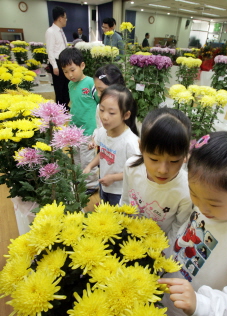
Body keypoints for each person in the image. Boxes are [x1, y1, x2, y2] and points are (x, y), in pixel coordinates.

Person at [158, 130, 227, 316]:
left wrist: (200, 304)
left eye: (213, 203)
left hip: (190, 315)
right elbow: (186, 232)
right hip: (165, 288)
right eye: (194, 194)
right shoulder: (206, 202)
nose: (201, 207)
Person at [120, 107, 192, 244]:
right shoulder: (131, 167)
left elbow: (178, 227)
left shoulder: (186, 190)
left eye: (174, 161)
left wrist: (164, 253)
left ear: (185, 155)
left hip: (158, 248)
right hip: (129, 238)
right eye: (154, 159)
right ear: (141, 148)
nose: (163, 170)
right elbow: (125, 199)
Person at [83, 85, 140, 205]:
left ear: (126, 115)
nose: (104, 116)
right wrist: (90, 166)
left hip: (120, 191)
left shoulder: (130, 142)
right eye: (102, 110)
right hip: (104, 184)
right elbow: (103, 153)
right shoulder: (102, 132)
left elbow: (135, 171)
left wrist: (113, 178)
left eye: (112, 112)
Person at [59, 47, 99, 196]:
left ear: (82, 65)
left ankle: (92, 184)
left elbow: (100, 103)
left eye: (72, 70)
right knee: (75, 157)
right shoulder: (71, 84)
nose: (69, 75)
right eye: (65, 72)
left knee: (87, 158)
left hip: (88, 129)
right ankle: (79, 179)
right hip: (74, 128)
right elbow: (74, 104)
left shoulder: (90, 83)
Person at [45, 6, 70, 109]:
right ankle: (59, 108)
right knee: (59, 87)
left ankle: (65, 106)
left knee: (66, 86)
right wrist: (55, 66)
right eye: (65, 17)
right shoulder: (51, 31)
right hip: (57, 62)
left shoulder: (60, 31)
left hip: (64, 62)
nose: (66, 20)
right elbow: (50, 50)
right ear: (60, 18)